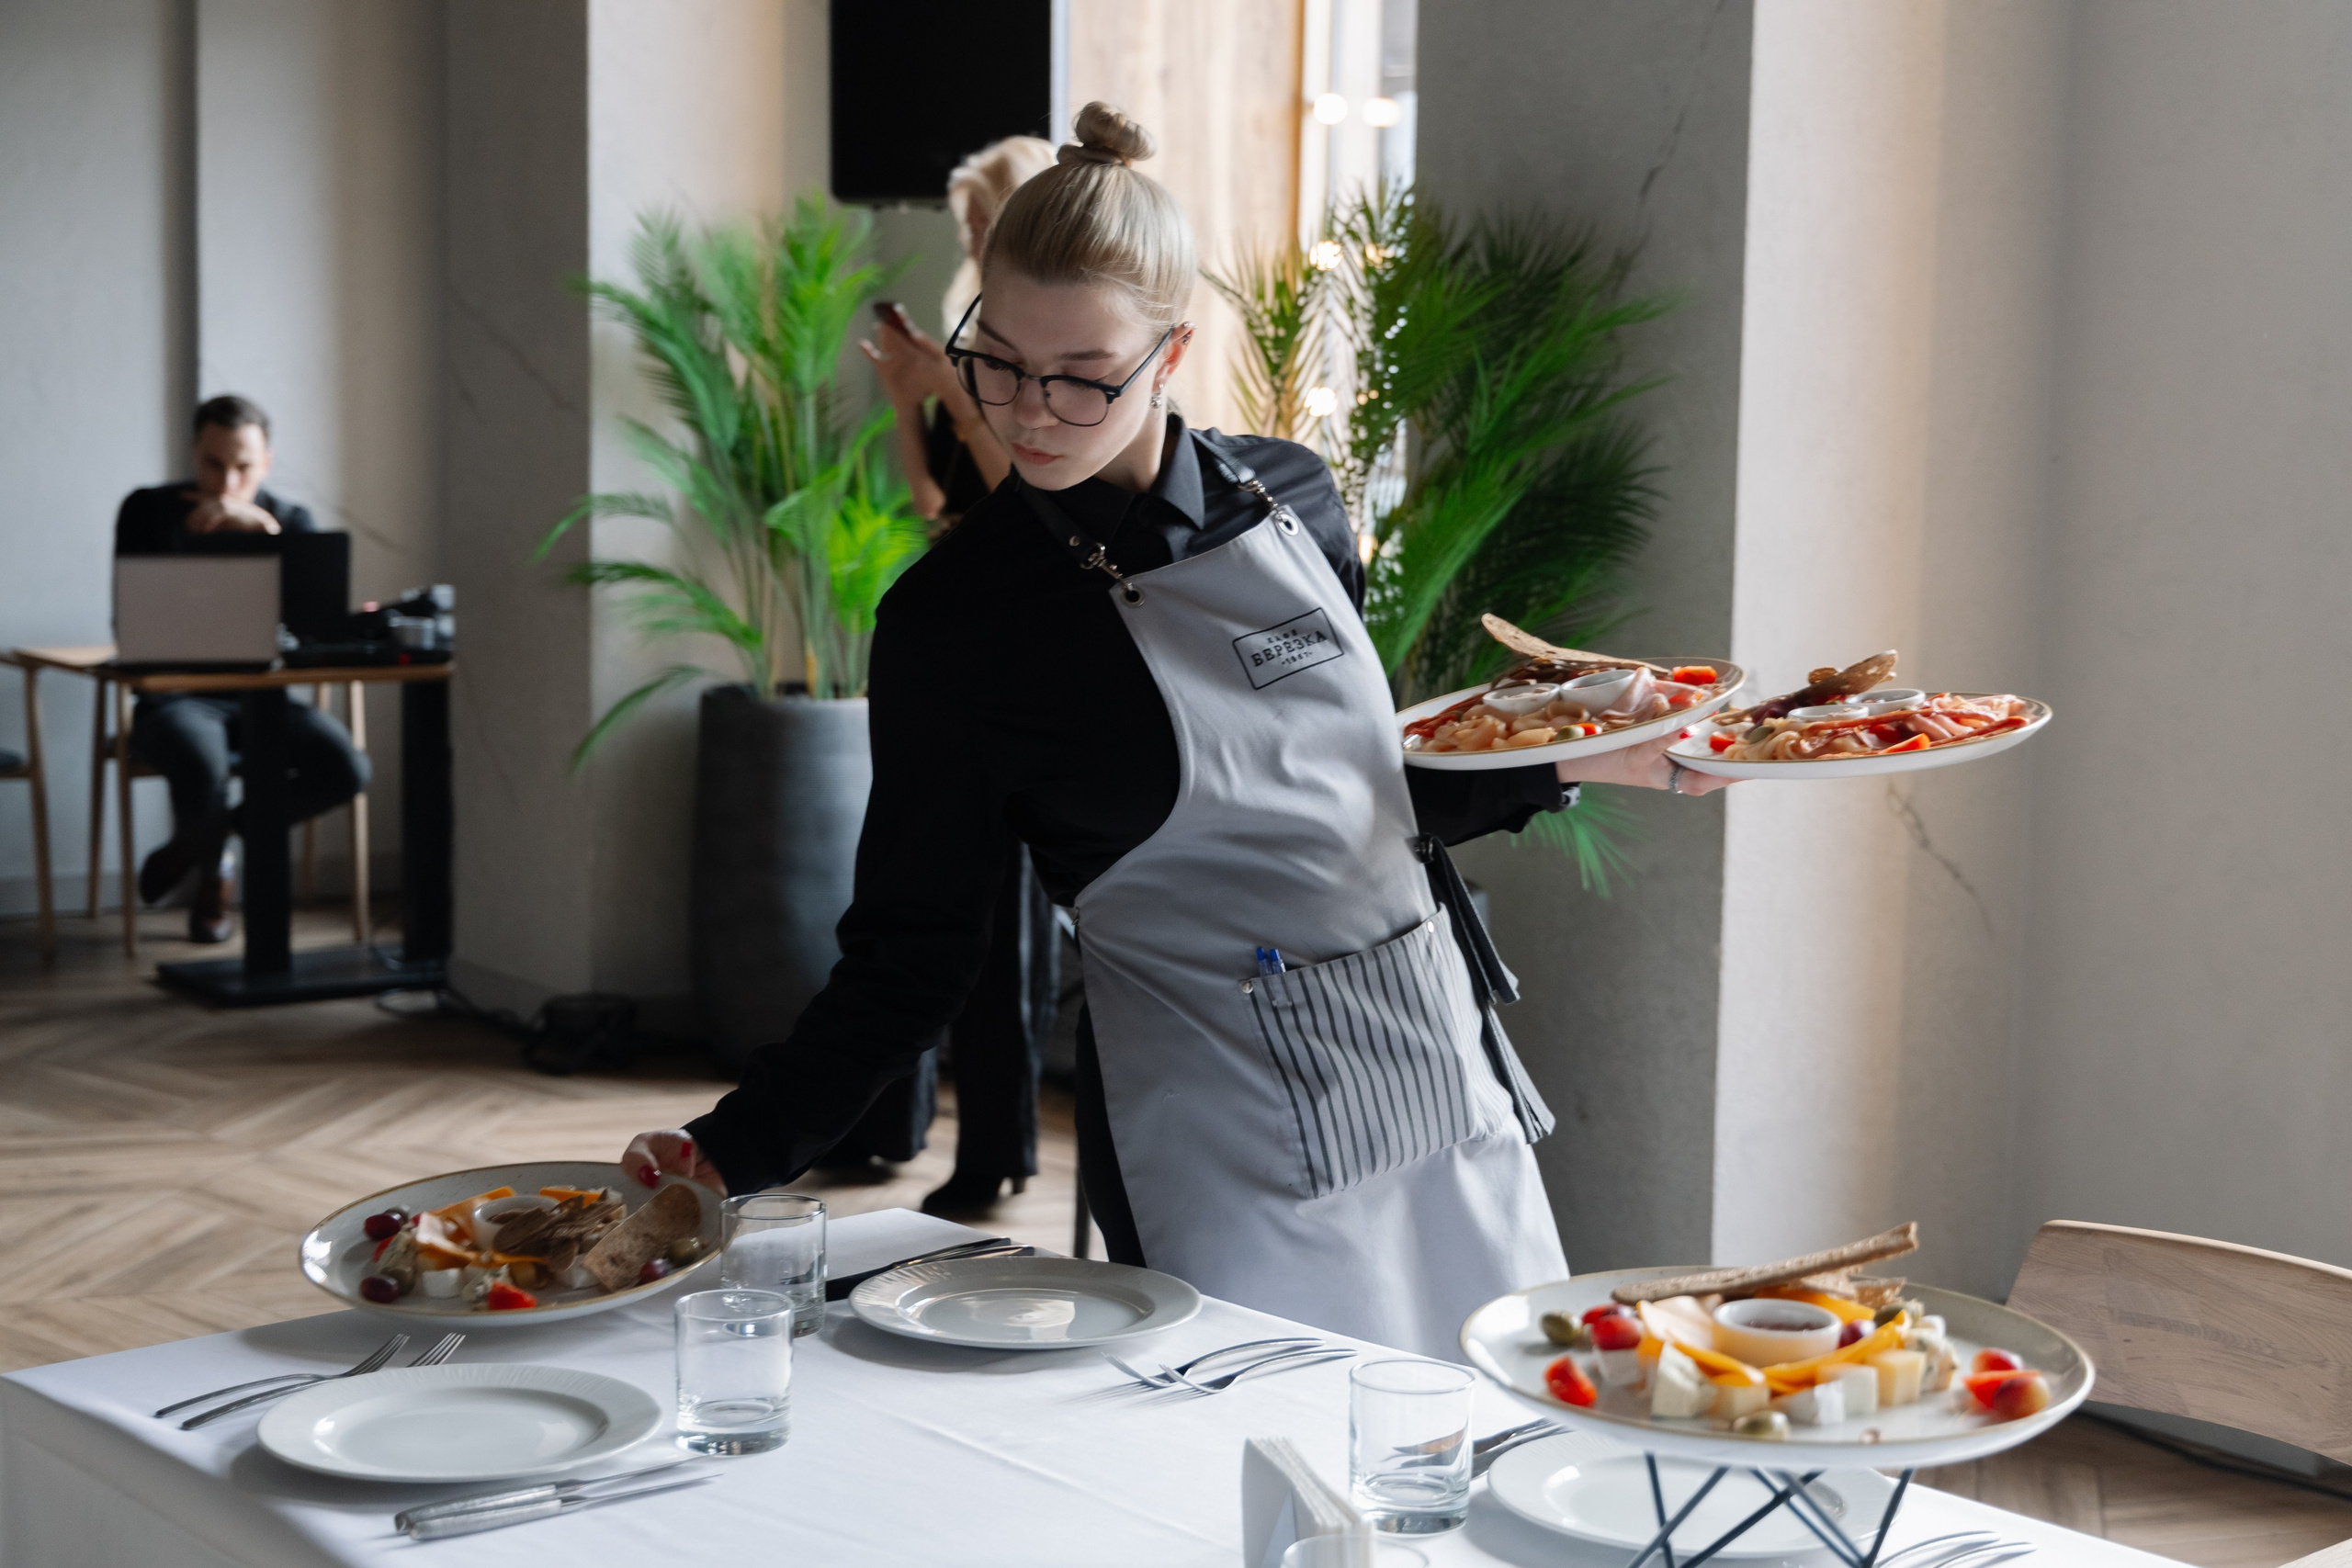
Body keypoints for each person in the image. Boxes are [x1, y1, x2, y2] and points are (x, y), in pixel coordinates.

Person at [625, 105, 1731, 1358]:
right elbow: (911, 959)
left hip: (1430, 1077)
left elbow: (1362, 796)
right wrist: (724, 1154)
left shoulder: (1298, 501)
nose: (1030, 411)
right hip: (1220, 1133)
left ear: (1173, 351)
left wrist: (1581, 754)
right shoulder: (957, 621)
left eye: (1084, 374)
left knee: (1490, 1448)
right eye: (996, 359)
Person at [858, 133, 1064, 1218]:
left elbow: (1029, 504)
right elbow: (935, 507)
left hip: (1032, 647)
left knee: (1002, 924)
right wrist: (910, 395)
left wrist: (960, 392)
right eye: (969, 229)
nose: (973, 243)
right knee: (930, 898)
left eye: (986, 223)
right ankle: (903, 1125)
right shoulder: (974, 342)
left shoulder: (1047, 354)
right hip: (961, 633)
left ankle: (996, 1149)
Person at [114, 395, 370, 942]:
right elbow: (129, 619)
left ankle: (203, 841)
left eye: (244, 467)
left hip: (265, 692)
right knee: (203, 763)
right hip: (176, 695)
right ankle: (215, 882)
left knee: (347, 768)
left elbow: (315, 634)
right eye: (213, 464)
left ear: (267, 462)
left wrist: (269, 539)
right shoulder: (147, 510)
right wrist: (189, 541)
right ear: (194, 454)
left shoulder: (290, 521)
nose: (227, 482)